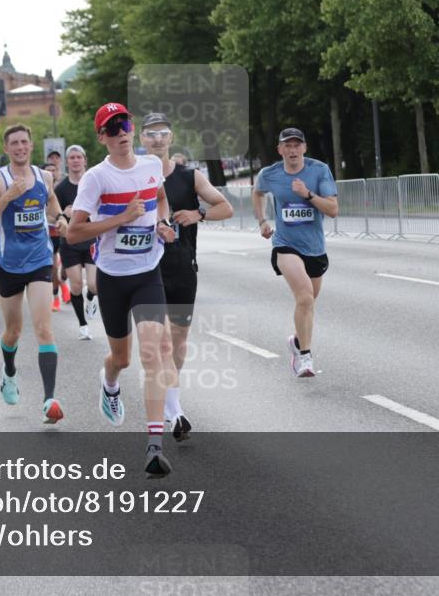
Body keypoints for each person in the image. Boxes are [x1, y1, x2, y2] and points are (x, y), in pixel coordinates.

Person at [66, 102, 178, 477]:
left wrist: (162, 223)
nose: (121, 134)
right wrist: (121, 218)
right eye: (112, 129)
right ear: (102, 138)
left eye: (125, 125)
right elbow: (74, 233)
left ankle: (154, 446)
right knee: (122, 359)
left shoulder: (151, 165)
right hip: (113, 277)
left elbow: (160, 198)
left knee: (152, 352)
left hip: (148, 272)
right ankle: (109, 382)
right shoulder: (96, 178)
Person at [139, 112, 234, 440]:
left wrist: (198, 214)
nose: (157, 139)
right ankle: (176, 411)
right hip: (147, 271)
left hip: (182, 268)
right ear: (142, 139)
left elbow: (225, 207)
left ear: (171, 138)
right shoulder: (134, 176)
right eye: (151, 134)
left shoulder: (189, 176)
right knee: (163, 343)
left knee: (178, 342)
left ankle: (170, 396)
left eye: (162, 133)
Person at [0, 124, 65, 425]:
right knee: (13, 332)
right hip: (9, 265)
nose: (20, 147)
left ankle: (49, 400)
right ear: (7, 148)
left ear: (31, 145)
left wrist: (60, 217)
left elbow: (51, 200)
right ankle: (9, 372)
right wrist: (7, 198)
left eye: (24, 142)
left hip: (40, 261)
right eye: (14, 143)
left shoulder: (44, 176)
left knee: (44, 329)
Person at [252, 127, 338, 377]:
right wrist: (262, 220)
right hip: (285, 244)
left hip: (315, 247)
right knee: (305, 297)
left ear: (304, 148)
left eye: (296, 145)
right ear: (279, 149)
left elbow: (332, 209)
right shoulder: (270, 174)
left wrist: (308, 194)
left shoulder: (319, 170)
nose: (292, 150)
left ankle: (298, 342)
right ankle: (305, 358)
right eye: (287, 146)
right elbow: (257, 193)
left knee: (308, 301)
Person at [54, 145, 100, 340]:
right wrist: (63, 214)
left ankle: (90, 297)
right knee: (75, 285)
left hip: (91, 239)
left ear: (84, 160)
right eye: (72, 157)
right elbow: (54, 214)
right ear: (67, 162)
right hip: (70, 242)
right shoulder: (61, 188)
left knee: (94, 285)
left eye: (79, 157)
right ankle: (83, 325)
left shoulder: (93, 183)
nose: (75, 160)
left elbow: (102, 208)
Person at [43, 161, 71, 312]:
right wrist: (55, 216)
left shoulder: (62, 189)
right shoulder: (39, 190)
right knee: (53, 268)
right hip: (49, 235)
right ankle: (55, 297)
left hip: (64, 232)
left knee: (66, 268)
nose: (51, 173)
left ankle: (64, 283)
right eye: (48, 170)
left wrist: (64, 215)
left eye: (54, 170)